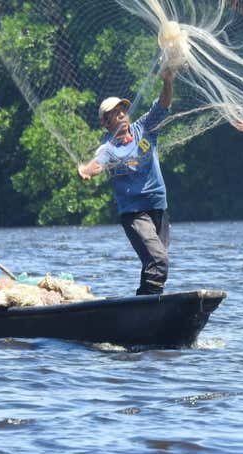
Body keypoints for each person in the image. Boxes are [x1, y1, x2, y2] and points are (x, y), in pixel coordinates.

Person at [78, 68, 175, 296]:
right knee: (158, 261)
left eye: (123, 110)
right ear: (106, 122)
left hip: (158, 207)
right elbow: (97, 163)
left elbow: (162, 104)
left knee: (154, 262)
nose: (121, 114)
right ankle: (149, 307)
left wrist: (168, 82)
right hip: (134, 213)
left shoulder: (145, 128)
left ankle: (143, 304)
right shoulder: (109, 147)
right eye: (115, 113)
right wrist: (86, 172)